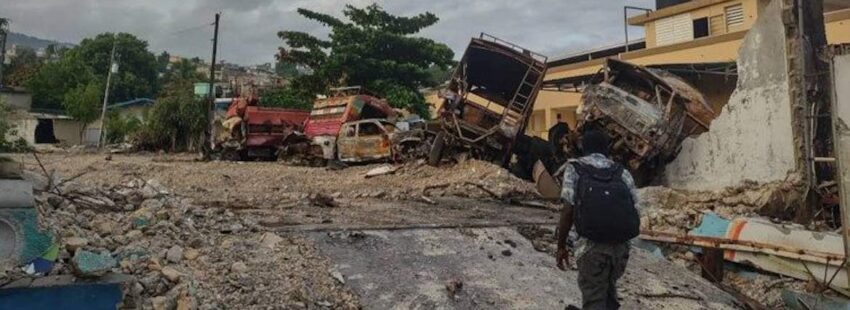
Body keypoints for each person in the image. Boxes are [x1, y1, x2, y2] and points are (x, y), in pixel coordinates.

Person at [555, 129, 640, 310]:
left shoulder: (575, 167)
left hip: (591, 248)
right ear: (606, 148)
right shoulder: (621, 171)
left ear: (583, 147)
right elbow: (636, 208)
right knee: (609, 293)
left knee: (594, 298)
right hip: (620, 249)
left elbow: (568, 209)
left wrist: (561, 246)